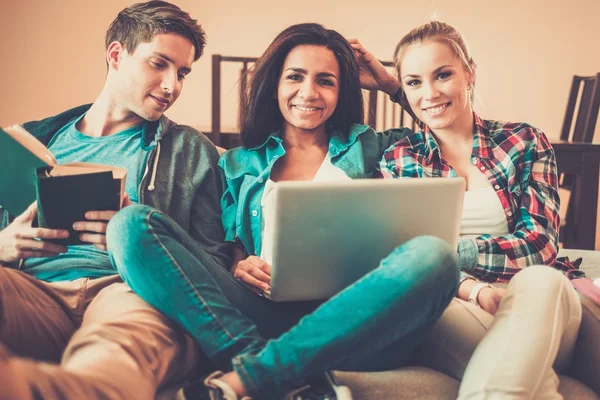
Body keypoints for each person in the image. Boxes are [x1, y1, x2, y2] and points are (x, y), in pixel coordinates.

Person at [107, 23, 460, 400]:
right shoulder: (235, 164)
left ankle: (255, 377)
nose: (308, 93)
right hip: (264, 314)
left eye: (326, 81)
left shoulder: (372, 146)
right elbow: (221, 253)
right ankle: (275, 369)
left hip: (359, 320)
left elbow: (444, 125)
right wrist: (237, 266)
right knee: (129, 224)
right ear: (274, 83)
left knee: (436, 256)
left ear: (342, 92)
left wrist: (390, 84)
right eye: (295, 77)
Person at [0, 2, 229, 399]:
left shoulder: (192, 151)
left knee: (122, 345)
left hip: (127, 292)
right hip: (31, 291)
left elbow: (216, 266)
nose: (171, 85)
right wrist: (4, 244)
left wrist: (138, 241)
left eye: (182, 73)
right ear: (117, 54)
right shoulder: (32, 140)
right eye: (159, 64)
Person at [352, 21, 583, 399]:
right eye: (413, 82)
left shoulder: (522, 141)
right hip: (456, 303)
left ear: (469, 72)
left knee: (543, 280)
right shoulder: (399, 159)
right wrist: (473, 289)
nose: (429, 92)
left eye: (443, 74)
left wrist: (446, 254)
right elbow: (401, 256)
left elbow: (540, 245)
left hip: (539, 299)